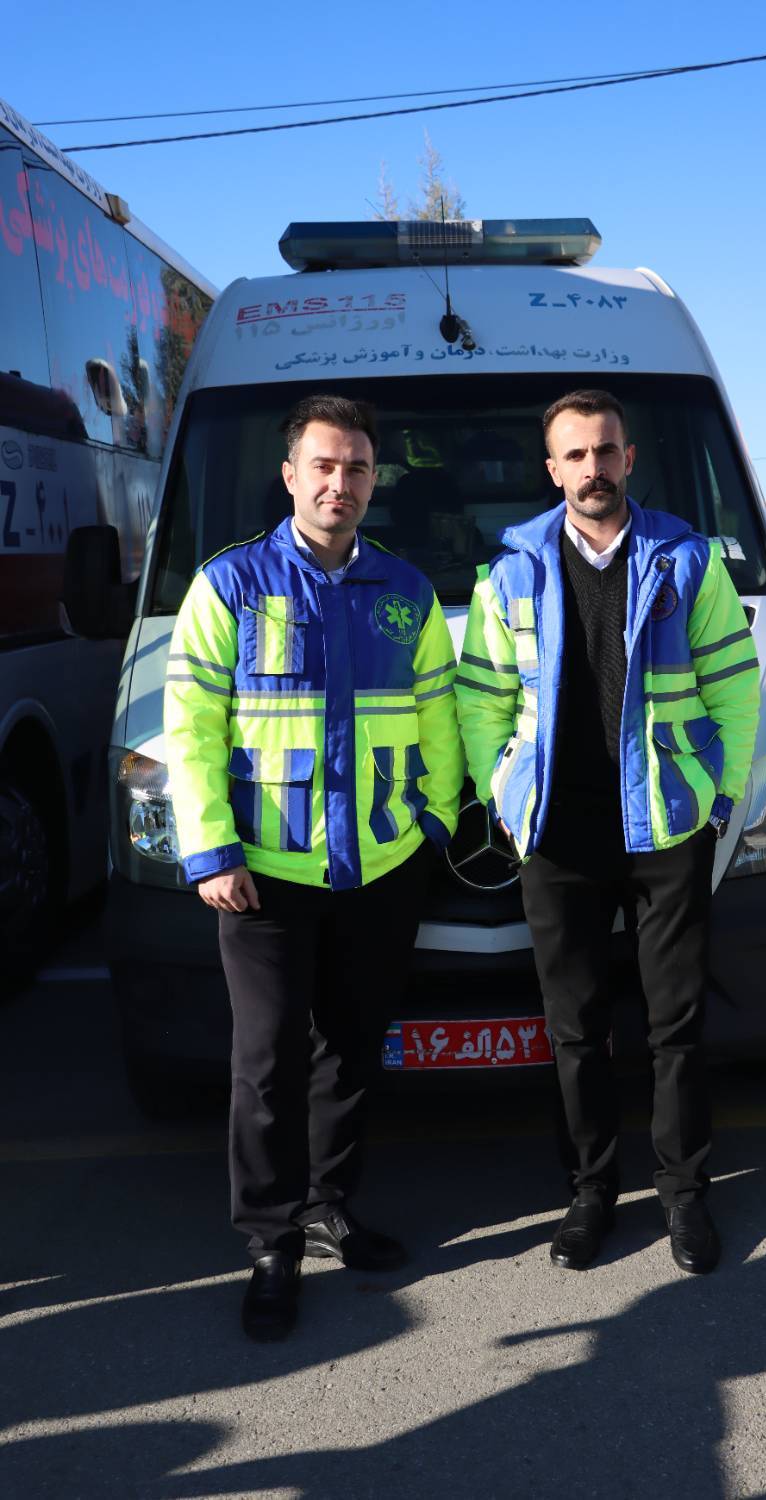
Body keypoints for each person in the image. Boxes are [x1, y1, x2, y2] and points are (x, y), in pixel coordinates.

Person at [164, 393, 463, 1338]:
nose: (341, 483)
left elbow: (439, 717)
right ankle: (270, 1240)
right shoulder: (228, 586)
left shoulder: (406, 592)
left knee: (351, 1051)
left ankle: (331, 1206)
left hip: (380, 868)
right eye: (324, 466)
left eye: (358, 468)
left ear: (375, 480)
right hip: (263, 875)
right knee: (265, 1061)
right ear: (290, 475)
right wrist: (211, 848)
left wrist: (433, 824)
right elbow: (190, 728)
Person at [456, 389, 760, 1275]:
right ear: (553, 470)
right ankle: (589, 1193)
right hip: (558, 836)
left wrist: (718, 800)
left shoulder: (687, 561)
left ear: (630, 459)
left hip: (665, 825)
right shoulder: (509, 573)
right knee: (576, 1028)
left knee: (676, 1024)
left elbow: (735, 686)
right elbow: (482, 700)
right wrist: (505, 795)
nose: (594, 468)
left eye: (606, 450)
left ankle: (684, 1195)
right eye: (576, 455)